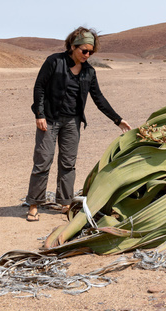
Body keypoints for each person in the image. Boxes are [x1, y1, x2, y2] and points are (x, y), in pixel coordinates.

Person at [26, 27, 132, 222]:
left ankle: (65, 202)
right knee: (43, 161)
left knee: (68, 164)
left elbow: (98, 98)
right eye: (84, 50)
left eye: (91, 52)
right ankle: (34, 203)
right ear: (73, 47)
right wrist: (39, 114)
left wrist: (117, 119)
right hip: (48, 119)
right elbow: (39, 86)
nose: (87, 55)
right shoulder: (54, 61)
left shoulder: (89, 72)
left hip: (72, 123)